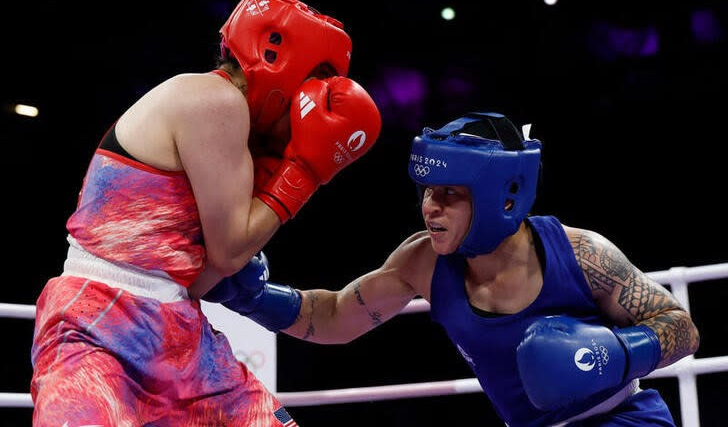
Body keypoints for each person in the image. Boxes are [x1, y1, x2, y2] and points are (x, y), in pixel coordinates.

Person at [29, 0, 382, 426]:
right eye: (315, 82)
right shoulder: (214, 101)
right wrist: (305, 171)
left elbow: (201, 278)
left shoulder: (231, 135)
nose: (309, 103)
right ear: (284, 68)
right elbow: (231, 251)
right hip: (96, 324)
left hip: (174, 323)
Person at [209, 112, 700, 426]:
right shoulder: (423, 261)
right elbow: (337, 315)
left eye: (449, 194)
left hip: (623, 419)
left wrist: (609, 355)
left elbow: (683, 328)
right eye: (426, 192)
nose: (429, 208)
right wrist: (255, 297)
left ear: (499, 197)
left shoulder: (580, 253)